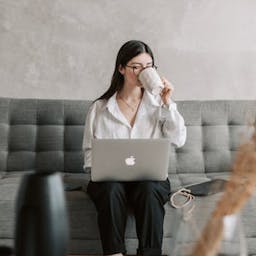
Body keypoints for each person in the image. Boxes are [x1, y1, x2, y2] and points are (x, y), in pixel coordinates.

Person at [82, 40, 186, 256]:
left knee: (150, 189)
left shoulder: (159, 105)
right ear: (121, 68)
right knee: (110, 189)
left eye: (149, 67)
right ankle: (114, 253)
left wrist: (168, 103)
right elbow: (89, 155)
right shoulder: (100, 108)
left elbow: (179, 139)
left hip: (148, 180)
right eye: (136, 67)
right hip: (110, 182)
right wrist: (103, 169)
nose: (142, 72)